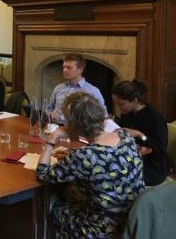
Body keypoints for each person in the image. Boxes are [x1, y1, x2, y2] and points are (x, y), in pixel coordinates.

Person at [36, 92, 145, 238]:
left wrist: (52, 139)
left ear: (74, 125)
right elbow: (108, 160)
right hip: (134, 219)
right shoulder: (126, 138)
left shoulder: (84, 156)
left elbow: (42, 174)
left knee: (50, 200)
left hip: (100, 229)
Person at [112, 80, 169, 186]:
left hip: (152, 166)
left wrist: (140, 135)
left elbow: (160, 148)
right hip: (132, 158)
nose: (119, 108)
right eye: (117, 104)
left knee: (114, 174)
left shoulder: (155, 118)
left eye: (121, 104)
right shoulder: (127, 113)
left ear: (134, 100)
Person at [49, 53, 107, 124]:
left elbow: (103, 115)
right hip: (56, 126)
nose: (65, 70)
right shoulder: (58, 88)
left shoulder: (93, 91)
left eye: (69, 67)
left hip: (79, 130)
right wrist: (50, 113)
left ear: (80, 70)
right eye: (64, 67)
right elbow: (49, 106)